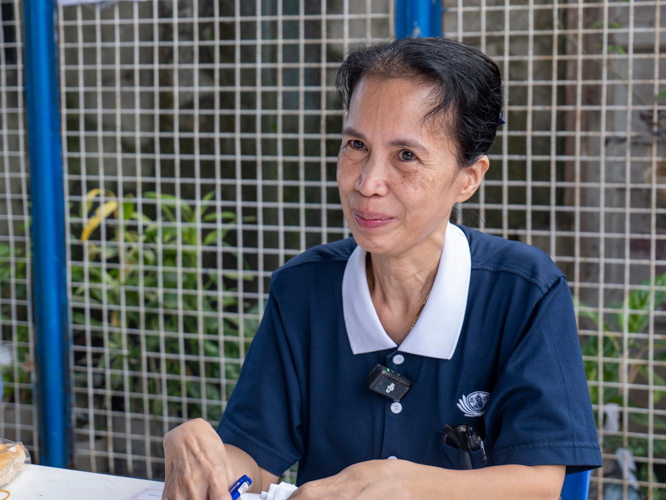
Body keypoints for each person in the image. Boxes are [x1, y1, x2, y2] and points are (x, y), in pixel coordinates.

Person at [162, 37, 602, 500]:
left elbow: (538, 482)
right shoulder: (304, 289)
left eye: (406, 155)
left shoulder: (525, 291)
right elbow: (253, 460)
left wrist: (407, 486)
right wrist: (206, 455)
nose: (366, 183)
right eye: (355, 144)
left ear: (468, 178)